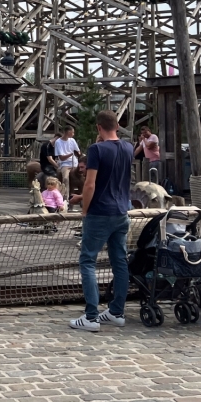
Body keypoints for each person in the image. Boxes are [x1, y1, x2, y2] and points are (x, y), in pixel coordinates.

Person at [70, 110, 133, 332]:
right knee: (119, 262)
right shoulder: (128, 147)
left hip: (99, 213)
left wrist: (85, 208)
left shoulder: (96, 149)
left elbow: (90, 184)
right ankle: (116, 312)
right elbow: (114, 179)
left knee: (88, 261)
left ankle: (91, 316)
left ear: (99, 127)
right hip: (121, 211)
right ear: (117, 126)